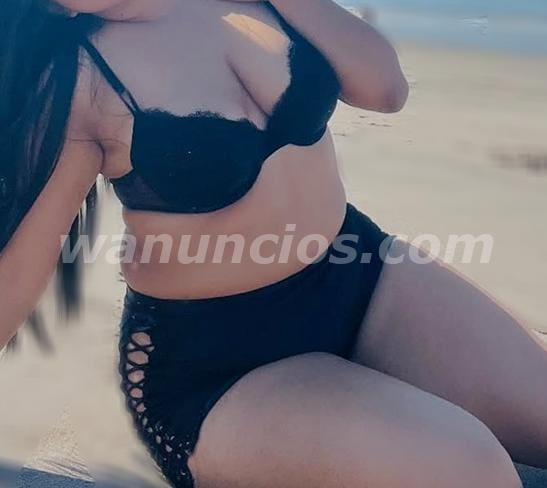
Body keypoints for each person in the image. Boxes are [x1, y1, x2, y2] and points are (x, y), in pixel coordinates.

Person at [0, 1, 545, 487]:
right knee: (472, 468)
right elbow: (21, 275)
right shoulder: (78, 79)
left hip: (363, 274)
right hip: (219, 367)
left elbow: (386, 90)